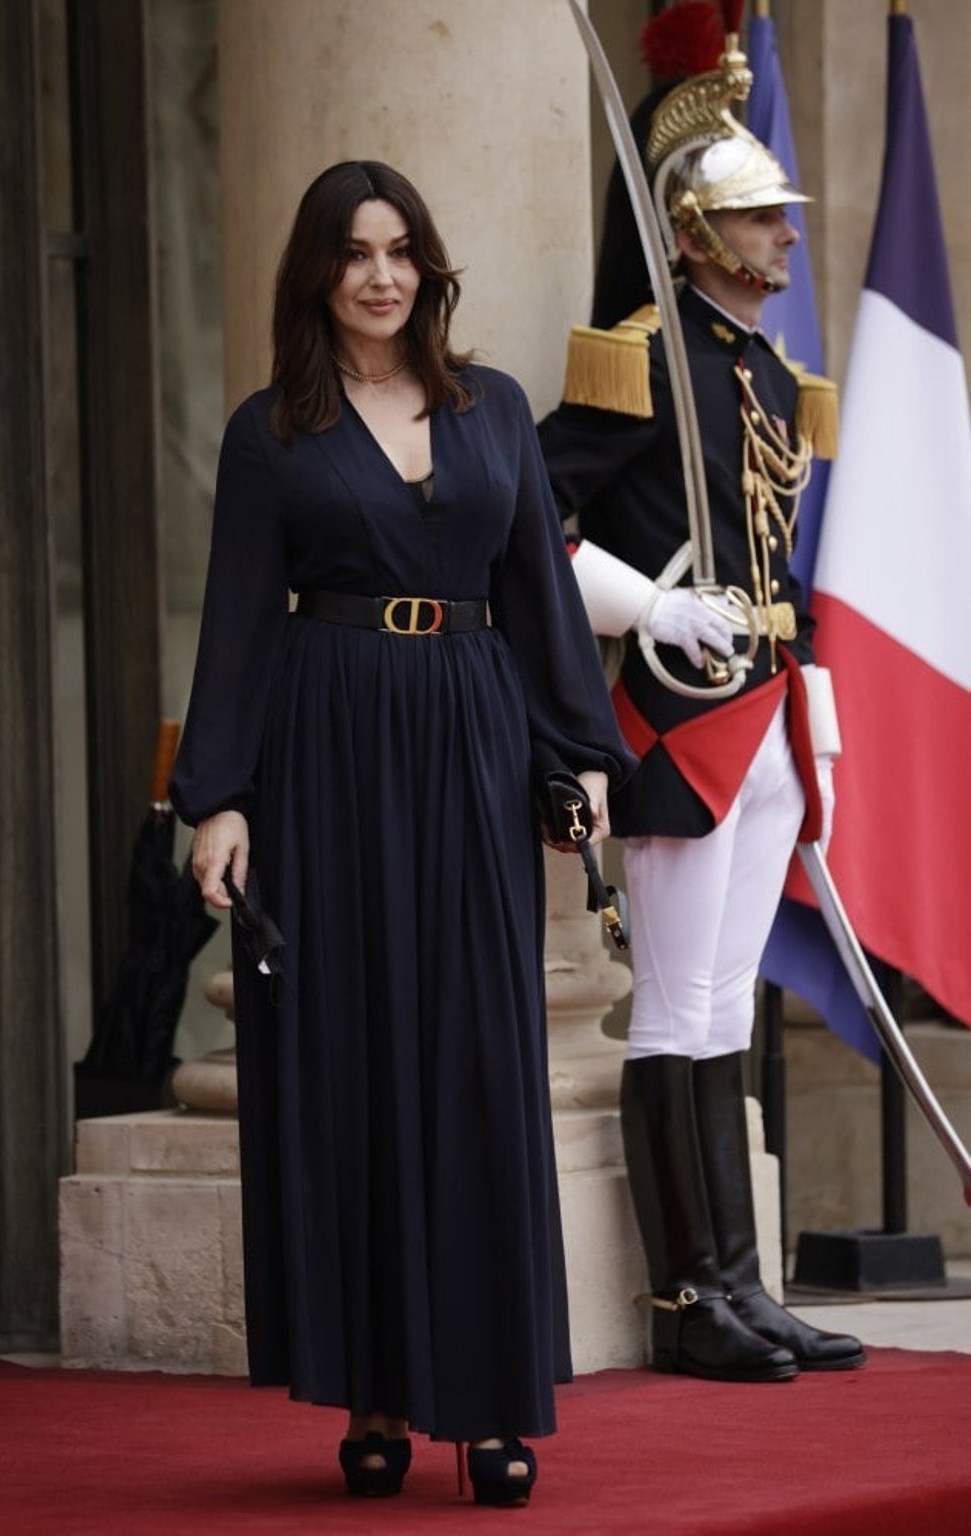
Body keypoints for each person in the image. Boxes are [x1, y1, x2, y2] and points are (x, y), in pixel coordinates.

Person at [170, 159, 634, 1505]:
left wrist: (579, 757)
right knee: (355, 1061)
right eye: (354, 253)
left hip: (477, 743)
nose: (381, 275)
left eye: (401, 251)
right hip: (326, 753)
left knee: (479, 1063)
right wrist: (219, 797)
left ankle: (493, 1400)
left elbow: (538, 591)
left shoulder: (493, 415)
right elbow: (241, 622)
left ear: (430, 267)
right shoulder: (272, 432)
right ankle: (372, 1391)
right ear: (318, 273)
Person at [538, 42, 865, 1383]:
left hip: (773, 716)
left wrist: (823, 731)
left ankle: (739, 1285)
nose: (783, 233)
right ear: (694, 229)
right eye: (756, 215)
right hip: (678, 725)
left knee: (726, 1009)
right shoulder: (638, 360)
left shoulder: (774, 379)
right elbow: (532, 529)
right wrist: (647, 608)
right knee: (675, 1007)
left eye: (779, 215)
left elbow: (788, 563)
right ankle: (683, 1304)